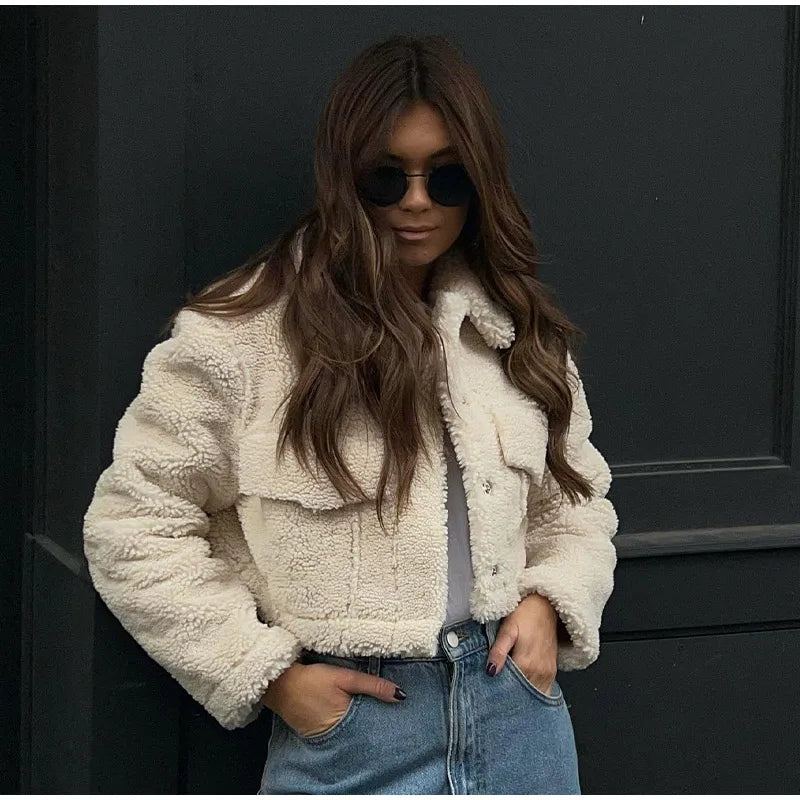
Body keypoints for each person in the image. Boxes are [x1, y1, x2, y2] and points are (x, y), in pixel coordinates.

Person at [82, 34, 618, 795]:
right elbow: (133, 525)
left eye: (448, 176)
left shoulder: (512, 331)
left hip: (518, 718)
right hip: (355, 735)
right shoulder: (242, 337)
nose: (416, 201)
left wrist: (550, 602)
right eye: (385, 177)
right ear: (343, 178)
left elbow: (577, 504)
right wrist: (266, 675)